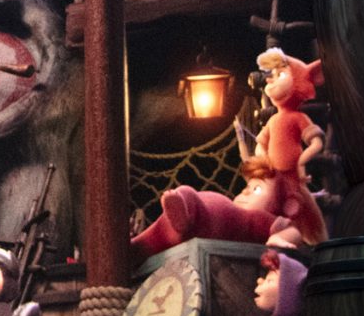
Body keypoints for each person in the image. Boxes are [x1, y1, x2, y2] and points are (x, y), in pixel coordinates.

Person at [129, 48, 328, 258]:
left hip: (207, 218)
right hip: (200, 222)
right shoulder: (238, 212)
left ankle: (185, 208)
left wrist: (278, 240)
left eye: (257, 189)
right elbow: (260, 144)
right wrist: (258, 154)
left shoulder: (259, 220)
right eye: (249, 187)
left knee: (199, 205)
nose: (246, 192)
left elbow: (292, 231)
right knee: (164, 230)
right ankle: (139, 245)